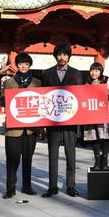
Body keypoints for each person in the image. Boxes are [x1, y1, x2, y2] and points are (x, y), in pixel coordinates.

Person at [41, 43, 83, 198]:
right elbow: (44, 97)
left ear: (69, 56)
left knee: (71, 155)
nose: (62, 57)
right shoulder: (47, 73)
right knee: (52, 155)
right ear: (55, 56)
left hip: (71, 122)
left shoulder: (77, 73)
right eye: (59, 54)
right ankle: (52, 187)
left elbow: (80, 96)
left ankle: (71, 186)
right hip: (53, 122)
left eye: (65, 54)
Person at [1, 52, 41, 199]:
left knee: (28, 159)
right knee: (12, 159)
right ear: (16, 66)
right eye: (20, 64)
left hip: (30, 129)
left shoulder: (37, 83)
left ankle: (27, 186)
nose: (23, 66)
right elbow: (2, 101)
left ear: (30, 65)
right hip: (13, 129)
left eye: (26, 64)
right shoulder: (8, 82)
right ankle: (10, 188)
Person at [83, 63, 109, 170]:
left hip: (105, 111)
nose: (94, 73)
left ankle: (105, 161)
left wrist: (108, 91)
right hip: (92, 112)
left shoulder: (106, 84)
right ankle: (97, 161)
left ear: (101, 72)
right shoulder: (86, 85)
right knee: (95, 137)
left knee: (105, 137)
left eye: (97, 71)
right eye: (92, 70)